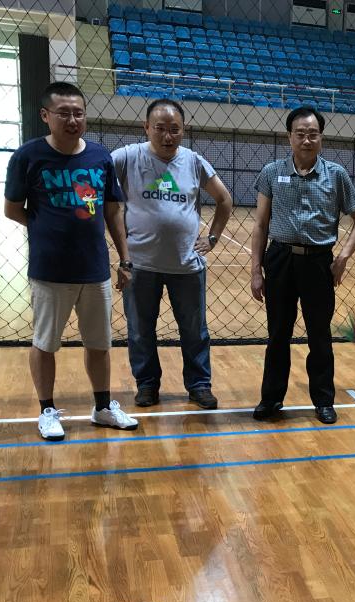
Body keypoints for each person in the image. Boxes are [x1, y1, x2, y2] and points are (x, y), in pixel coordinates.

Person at [4, 82, 138, 441]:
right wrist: (46, 226)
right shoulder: (28, 156)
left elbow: (112, 211)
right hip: (50, 270)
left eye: (78, 113)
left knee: (100, 343)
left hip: (94, 269)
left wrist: (125, 259)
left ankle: (103, 407)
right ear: (45, 115)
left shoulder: (100, 156)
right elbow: (12, 209)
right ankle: (47, 410)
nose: (72, 120)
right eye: (63, 113)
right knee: (45, 342)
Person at [249, 106, 355, 424]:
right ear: (289, 137)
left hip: (318, 263)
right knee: (278, 334)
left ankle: (324, 401)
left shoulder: (336, 175)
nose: (306, 140)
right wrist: (256, 270)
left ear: (321, 138)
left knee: (320, 335)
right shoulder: (272, 172)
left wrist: (342, 258)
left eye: (312, 134)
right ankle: (271, 399)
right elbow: (260, 224)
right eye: (300, 134)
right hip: (280, 260)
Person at [112, 98, 233, 410]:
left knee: (194, 331)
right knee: (140, 331)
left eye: (174, 130)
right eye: (160, 129)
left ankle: (199, 385)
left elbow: (224, 199)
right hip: (139, 265)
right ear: (146, 128)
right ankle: (147, 385)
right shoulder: (127, 157)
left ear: (184, 130)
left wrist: (212, 238)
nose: (167, 136)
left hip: (187, 266)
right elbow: (97, 187)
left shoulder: (193, 161)